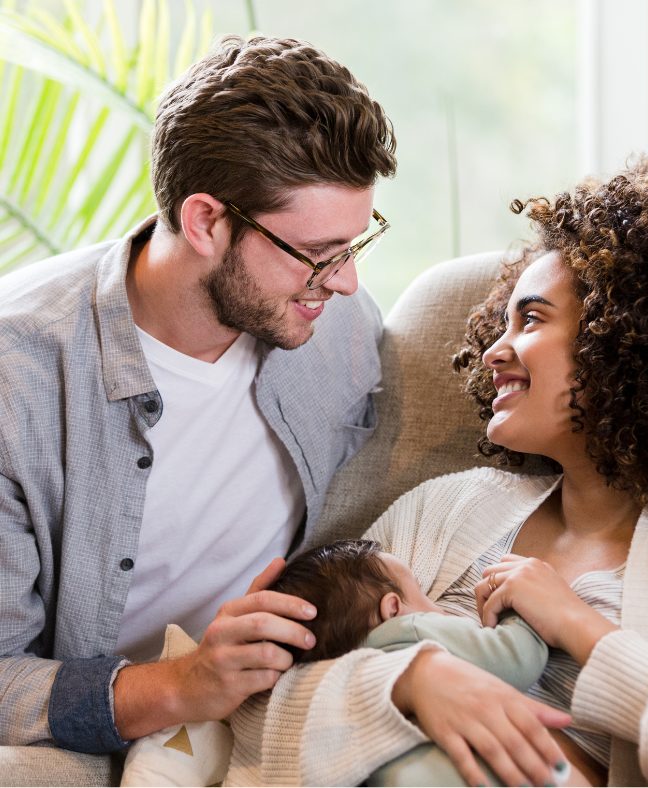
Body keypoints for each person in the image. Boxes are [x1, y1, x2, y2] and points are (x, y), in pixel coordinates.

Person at [229, 138, 648, 787]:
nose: (495, 351)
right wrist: (410, 682)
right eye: (505, 323)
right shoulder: (447, 510)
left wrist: (576, 623)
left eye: (533, 321)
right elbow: (254, 705)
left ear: (631, 344)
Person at [0, 35, 398, 754]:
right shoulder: (18, 380)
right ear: (206, 221)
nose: (345, 284)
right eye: (317, 256)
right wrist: (183, 685)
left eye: (354, 246)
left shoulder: (338, 329)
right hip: (120, 724)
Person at [231, 538, 579, 786]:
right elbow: (514, 660)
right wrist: (517, 609)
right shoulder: (414, 631)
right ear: (393, 607)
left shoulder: (335, 679)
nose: (437, 609)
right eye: (423, 594)